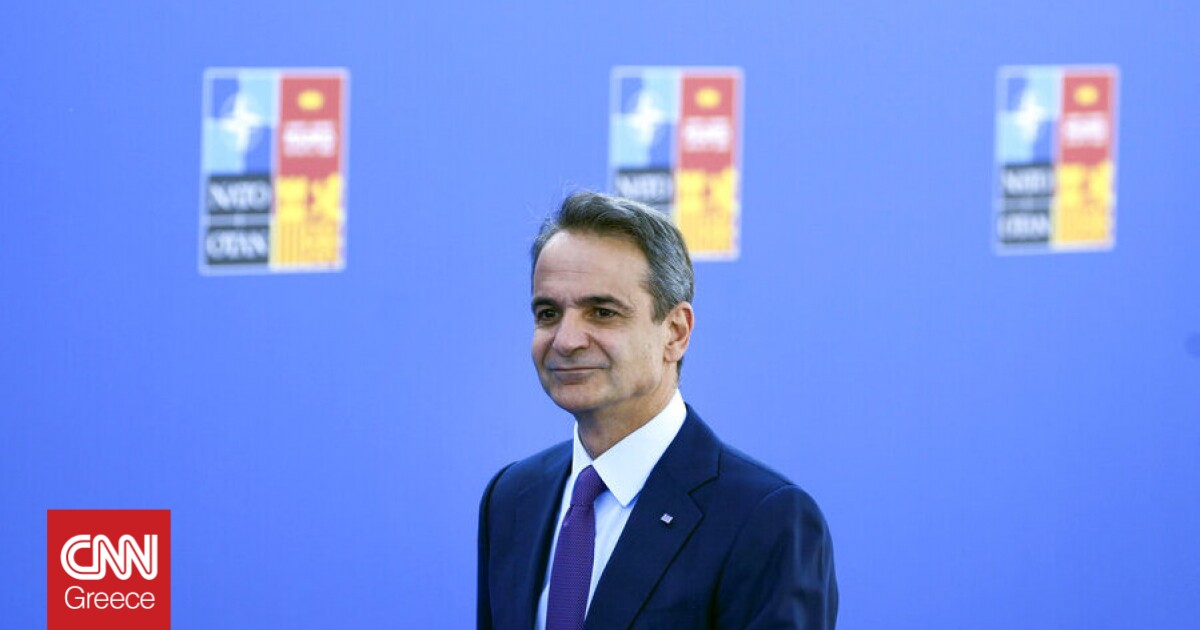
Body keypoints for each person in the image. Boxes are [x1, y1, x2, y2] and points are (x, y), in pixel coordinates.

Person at [477, 192, 837, 629]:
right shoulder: (512, 498)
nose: (566, 340)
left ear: (676, 332)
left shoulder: (766, 519)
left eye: (602, 312)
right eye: (548, 313)